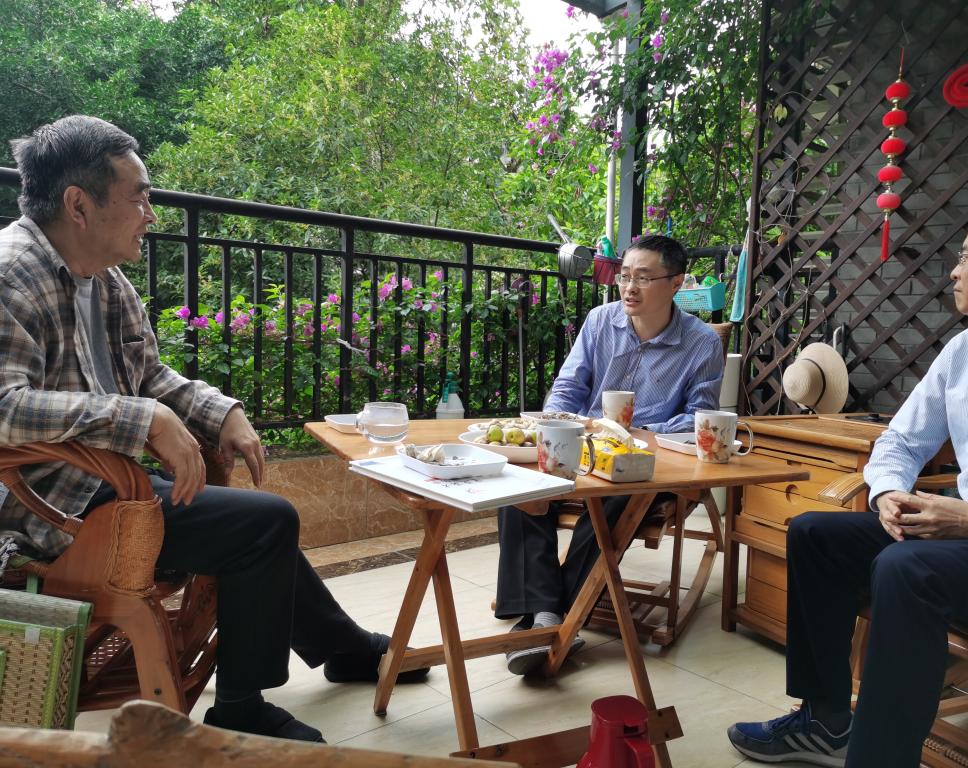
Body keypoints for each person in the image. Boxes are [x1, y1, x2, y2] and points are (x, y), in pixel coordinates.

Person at [0, 115, 428, 744]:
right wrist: (140, 417)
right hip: (47, 506)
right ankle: (242, 709)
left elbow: (150, 374)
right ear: (78, 205)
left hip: (104, 484)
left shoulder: (105, 280)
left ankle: (342, 647)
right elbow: (4, 407)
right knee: (262, 524)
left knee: (249, 520)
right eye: (139, 197)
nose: (151, 214)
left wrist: (219, 410)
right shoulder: (11, 274)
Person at [727, 202, 968, 767]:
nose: (954, 271)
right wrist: (888, 494)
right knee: (815, 534)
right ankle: (825, 721)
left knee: (906, 568)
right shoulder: (963, 352)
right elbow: (900, 441)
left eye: (966, 257)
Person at [497, 234, 725, 674]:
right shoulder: (600, 321)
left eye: (643, 277)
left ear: (676, 283)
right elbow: (568, 386)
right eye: (624, 276)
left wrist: (636, 433)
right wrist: (558, 422)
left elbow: (699, 417)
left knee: (619, 492)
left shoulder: (701, 343)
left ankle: (546, 616)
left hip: (643, 460)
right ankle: (547, 611)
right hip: (582, 445)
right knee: (518, 483)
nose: (629, 287)